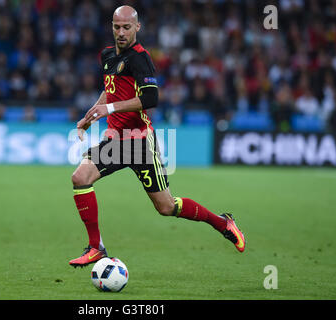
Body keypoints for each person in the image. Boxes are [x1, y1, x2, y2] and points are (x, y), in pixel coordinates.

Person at [69, 6, 245, 268]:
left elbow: (151, 98)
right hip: (115, 141)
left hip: (140, 142)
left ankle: (222, 223)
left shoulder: (141, 58)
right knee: (80, 177)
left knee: (166, 207)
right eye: (117, 27)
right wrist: (93, 112)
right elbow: (111, 90)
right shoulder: (107, 56)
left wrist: (111, 108)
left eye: (126, 27)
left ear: (137, 28)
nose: (121, 32)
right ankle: (97, 247)